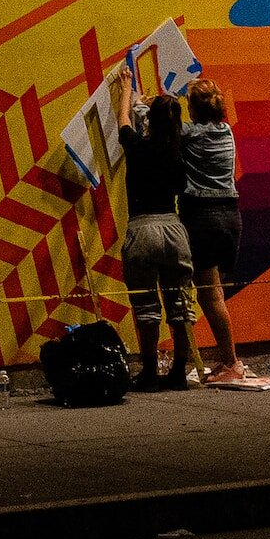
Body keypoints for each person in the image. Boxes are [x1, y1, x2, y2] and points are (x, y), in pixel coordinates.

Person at [115, 72, 195, 389]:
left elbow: (122, 120)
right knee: (181, 304)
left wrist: (126, 91)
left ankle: (149, 372)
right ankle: (178, 371)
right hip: (173, 228)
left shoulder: (138, 146)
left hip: (142, 228)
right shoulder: (178, 153)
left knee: (146, 307)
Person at [176, 76, 251, 383]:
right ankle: (227, 360)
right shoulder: (227, 132)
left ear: (193, 109)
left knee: (210, 295)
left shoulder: (190, 135)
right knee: (215, 290)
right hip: (230, 215)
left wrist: (140, 105)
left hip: (202, 217)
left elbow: (159, 128)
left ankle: (231, 363)